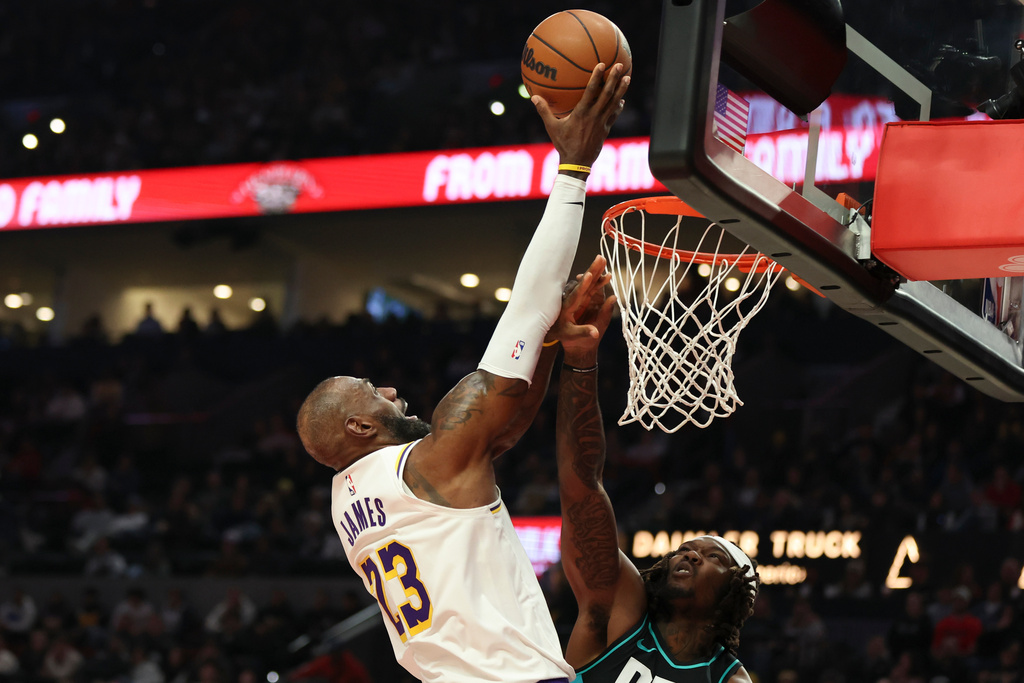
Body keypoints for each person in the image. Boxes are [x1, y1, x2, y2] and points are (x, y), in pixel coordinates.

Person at [295, 62, 630, 683]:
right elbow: (522, 314)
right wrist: (574, 171)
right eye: (373, 393)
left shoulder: (349, 503)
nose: (391, 391)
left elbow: (501, 428)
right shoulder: (427, 462)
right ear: (360, 427)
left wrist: (550, 343)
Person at [553, 278, 759, 682]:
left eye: (714, 558)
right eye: (686, 550)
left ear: (733, 594)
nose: (691, 556)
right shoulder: (620, 611)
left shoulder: (727, 678)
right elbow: (581, 488)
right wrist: (580, 357)